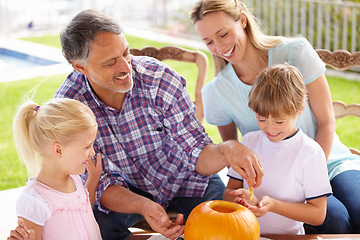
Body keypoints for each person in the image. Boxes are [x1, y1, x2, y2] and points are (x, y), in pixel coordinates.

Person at [55, 9, 264, 240]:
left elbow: (196, 149)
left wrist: (228, 149)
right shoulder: (69, 108)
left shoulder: (160, 79)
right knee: (97, 228)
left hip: (187, 177)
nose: (126, 68)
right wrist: (143, 205)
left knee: (219, 222)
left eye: (126, 53)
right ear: (80, 67)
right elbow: (99, 183)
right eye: (111, 63)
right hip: (125, 191)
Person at [190, 0, 360, 234]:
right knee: (334, 217)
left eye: (223, 34)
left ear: (242, 20)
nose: (219, 47)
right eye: (208, 41)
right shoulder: (215, 92)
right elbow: (234, 155)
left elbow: (326, 121)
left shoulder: (295, 52)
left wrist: (312, 175)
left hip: (331, 160)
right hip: (282, 182)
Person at [223, 63, 332, 234]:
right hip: (244, 235)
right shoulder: (248, 142)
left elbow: (318, 214)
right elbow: (228, 192)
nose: (270, 129)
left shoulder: (310, 152)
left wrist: (273, 205)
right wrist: (237, 198)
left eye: (279, 121)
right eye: (261, 119)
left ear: (299, 110)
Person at [8, 98, 102, 240]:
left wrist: (93, 179)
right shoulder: (35, 202)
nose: (93, 152)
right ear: (58, 150)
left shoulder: (74, 179)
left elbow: (82, 210)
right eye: (87, 147)